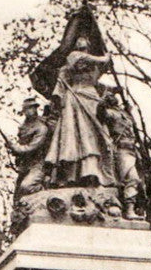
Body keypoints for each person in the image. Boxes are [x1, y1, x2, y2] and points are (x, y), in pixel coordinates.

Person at [44, 37, 116, 188]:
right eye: (78, 46)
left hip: (91, 98)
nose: (81, 48)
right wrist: (105, 57)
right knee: (73, 137)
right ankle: (70, 175)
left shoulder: (94, 67)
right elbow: (63, 78)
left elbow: (100, 76)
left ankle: (93, 172)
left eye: (84, 46)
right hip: (74, 99)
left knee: (95, 135)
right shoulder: (74, 58)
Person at [98, 86, 144, 219]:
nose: (114, 98)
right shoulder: (110, 113)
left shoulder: (124, 113)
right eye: (110, 96)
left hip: (132, 150)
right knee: (132, 178)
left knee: (138, 181)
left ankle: (131, 208)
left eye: (114, 95)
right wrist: (102, 100)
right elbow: (100, 114)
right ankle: (129, 210)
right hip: (121, 149)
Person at [5, 97, 50, 196]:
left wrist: (16, 148)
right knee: (18, 196)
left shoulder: (41, 128)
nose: (32, 111)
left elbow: (32, 147)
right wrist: (12, 148)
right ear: (24, 111)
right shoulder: (24, 127)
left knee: (26, 186)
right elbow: (21, 145)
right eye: (29, 108)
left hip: (38, 164)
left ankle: (47, 189)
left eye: (34, 108)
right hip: (24, 165)